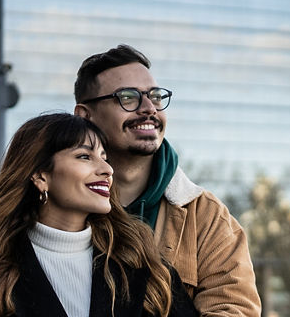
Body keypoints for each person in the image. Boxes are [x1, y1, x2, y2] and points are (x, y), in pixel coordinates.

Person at [0, 113, 198, 317]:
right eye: (85, 156)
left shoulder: (141, 260)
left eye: (104, 157)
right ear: (40, 175)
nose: (107, 169)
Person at [74, 44, 260, 316]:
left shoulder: (206, 216)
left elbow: (233, 309)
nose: (149, 108)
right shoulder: (59, 205)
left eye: (155, 97)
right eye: (128, 97)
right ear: (85, 116)